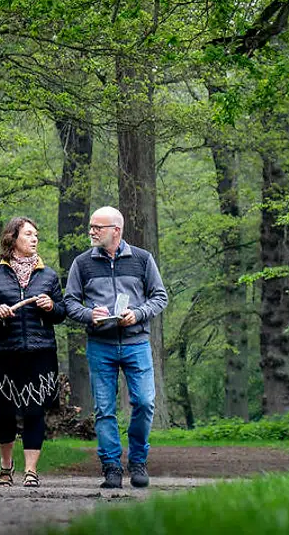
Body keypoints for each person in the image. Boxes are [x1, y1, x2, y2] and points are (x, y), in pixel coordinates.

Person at [64, 205, 169, 490]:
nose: (92, 231)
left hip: (137, 343)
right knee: (104, 409)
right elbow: (69, 302)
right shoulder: (82, 263)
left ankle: (138, 461)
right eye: (91, 226)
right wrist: (89, 314)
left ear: (116, 231)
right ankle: (111, 467)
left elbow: (160, 296)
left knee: (145, 402)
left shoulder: (142, 259)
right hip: (101, 345)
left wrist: (138, 313)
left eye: (97, 227)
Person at [0, 216, 66, 488]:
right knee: (5, 412)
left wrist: (51, 306)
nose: (34, 239)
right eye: (28, 234)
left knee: (35, 411)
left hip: (41, 352)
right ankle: (6, 467)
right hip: (6, 353)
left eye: (36, 235)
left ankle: (31, 471)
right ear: (12, 239)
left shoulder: (48, 276)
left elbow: (62, 313)